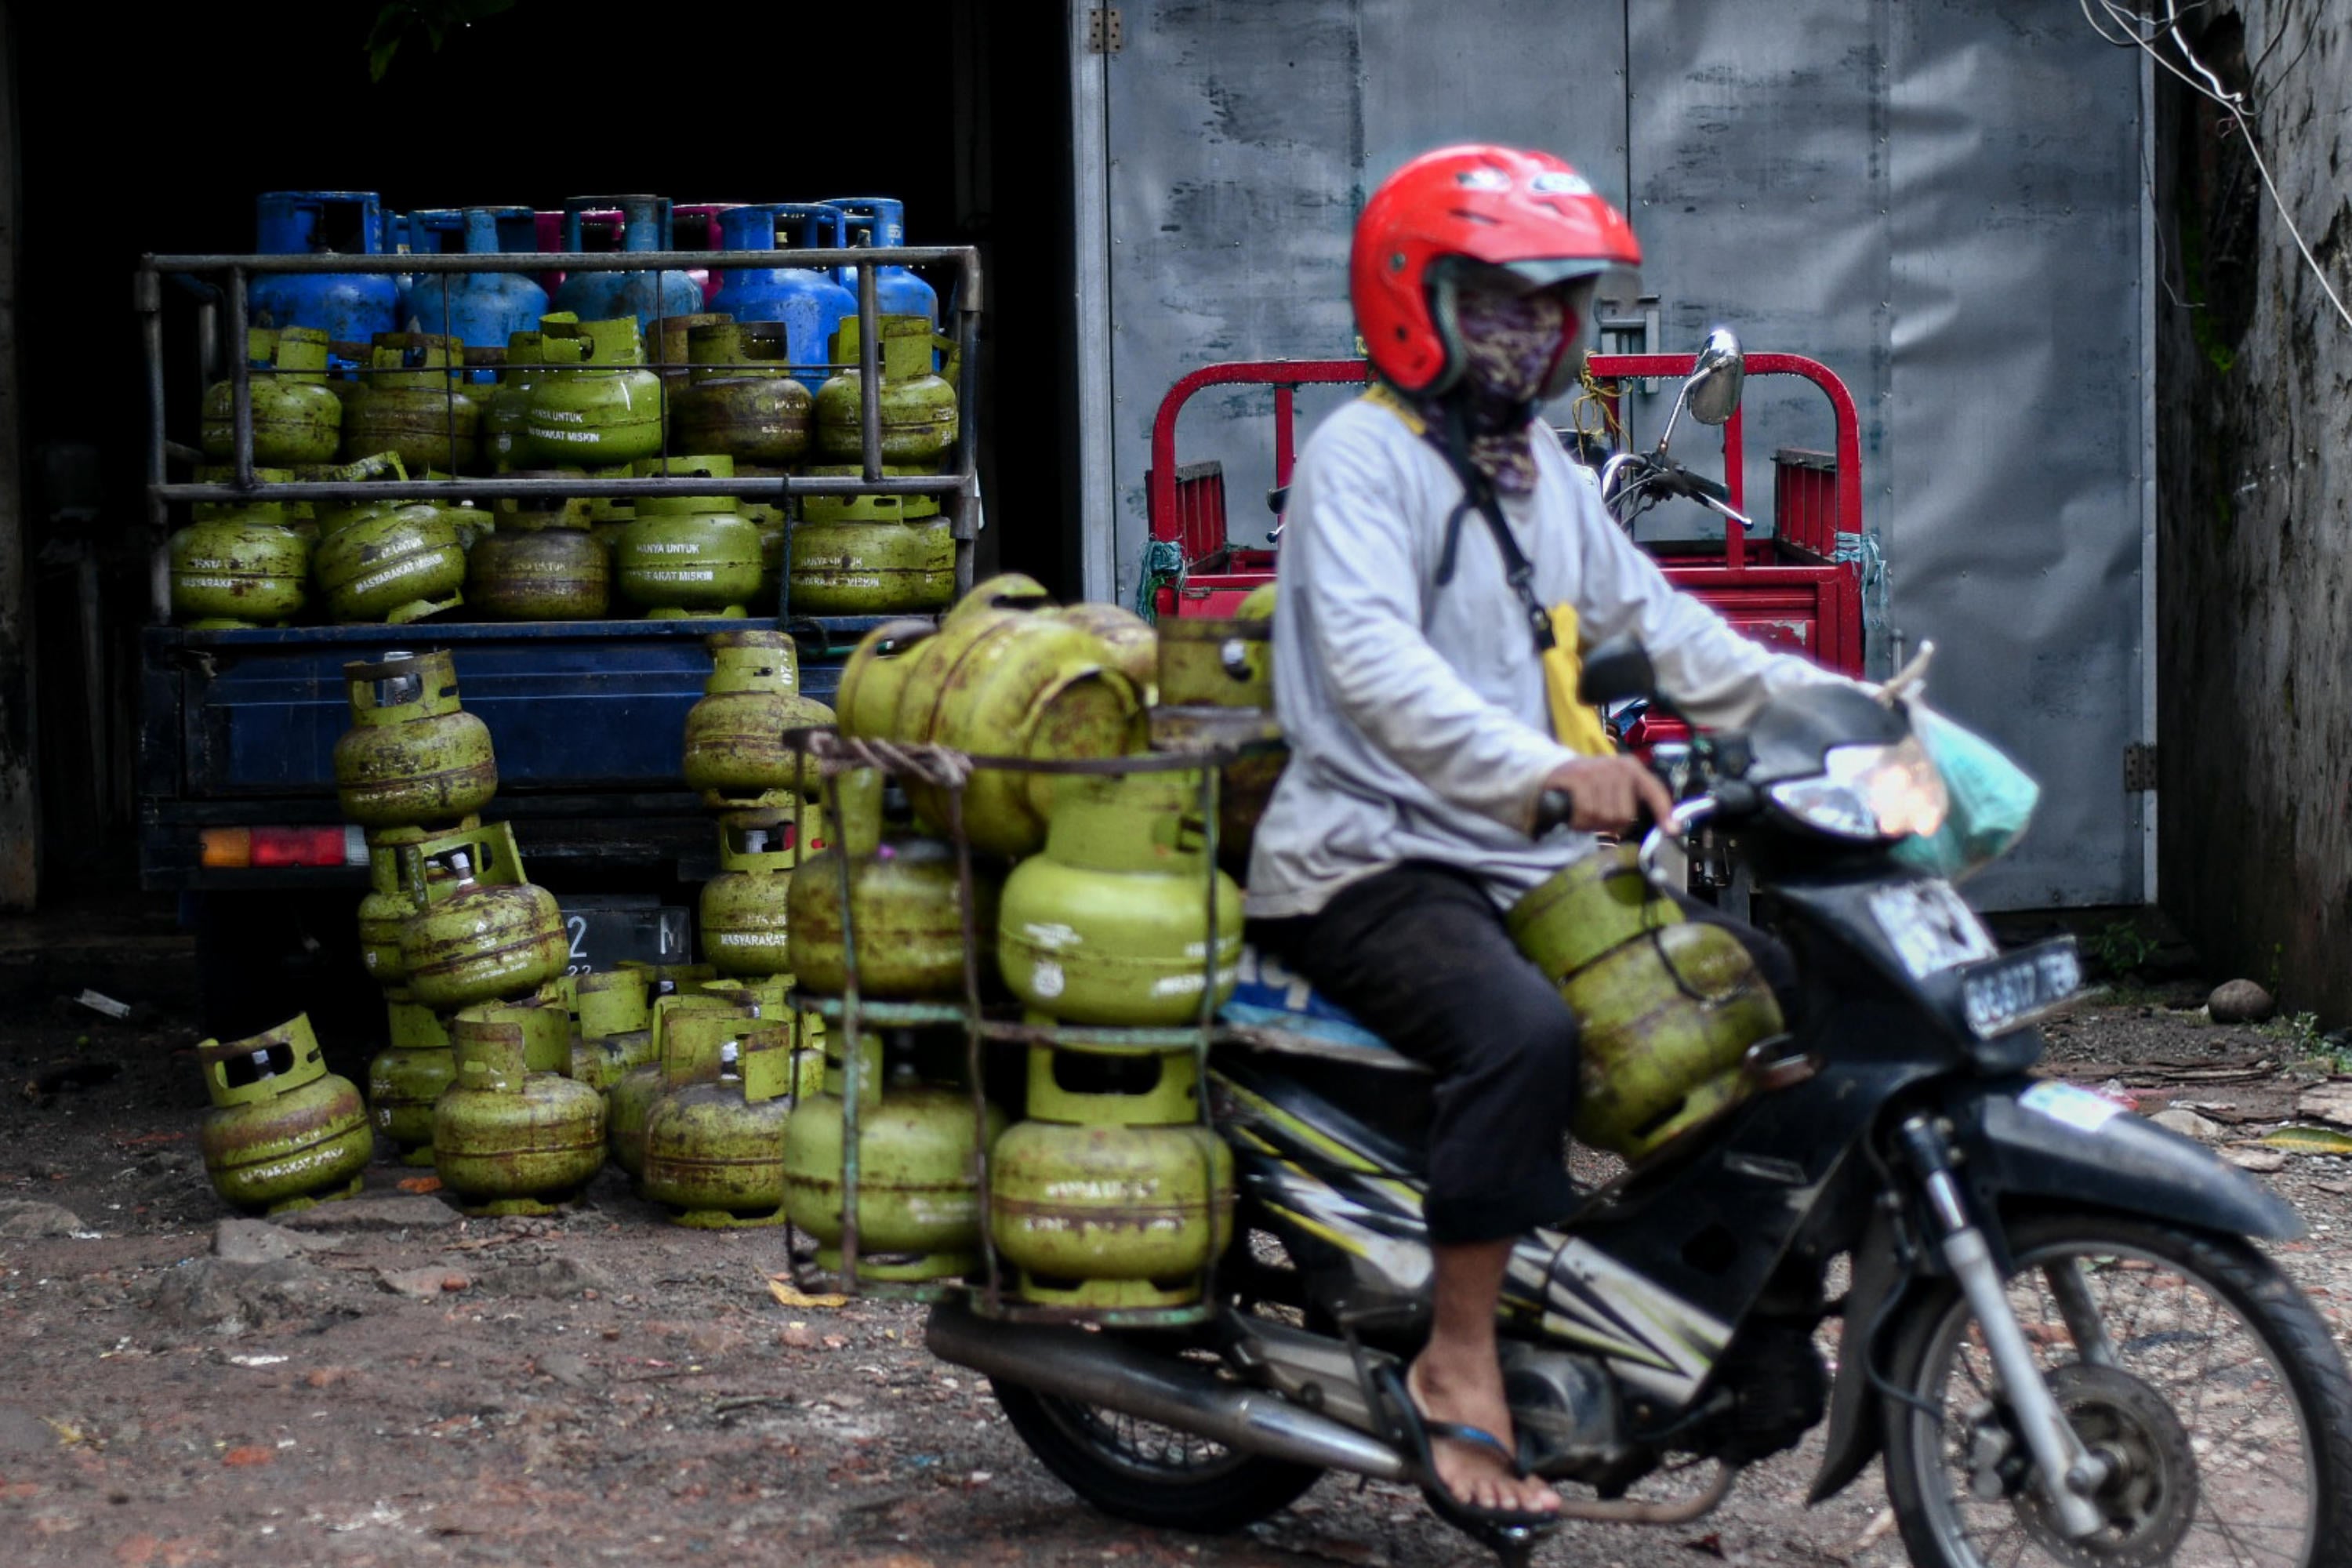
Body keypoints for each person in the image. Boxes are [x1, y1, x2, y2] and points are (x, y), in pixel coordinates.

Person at [1244, 144, 1833, 1532]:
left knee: (1769, 992)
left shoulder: (1539, 470)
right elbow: (1377, 678)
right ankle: (1460, 1359)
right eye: (1508, 300)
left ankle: (1712, 1325)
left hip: (1510, 857)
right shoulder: (1356, 461)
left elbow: (1663, 625)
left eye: (1559, 303)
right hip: (1366, 855)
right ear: (1417, 301)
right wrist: (1550, 776)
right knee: (1524, 1037)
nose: (1546, 331)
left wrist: (1857, 719)